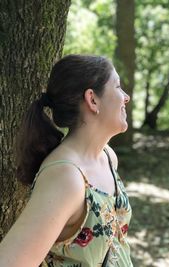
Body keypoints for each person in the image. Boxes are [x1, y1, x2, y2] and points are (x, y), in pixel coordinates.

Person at [0, 55, 133, 267]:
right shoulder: (66, 176)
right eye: (117, 87)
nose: (126, 97)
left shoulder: (108, 157)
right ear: (92, 99)